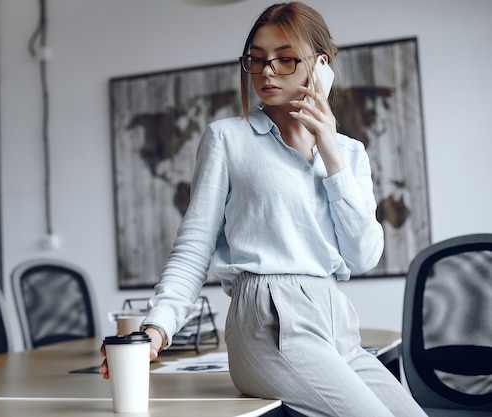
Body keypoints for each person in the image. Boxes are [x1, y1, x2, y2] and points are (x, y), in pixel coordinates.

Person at [101, 2, 428, 416]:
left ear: (320, 66)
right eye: (256, 59)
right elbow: (194, 246)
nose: (267, 71)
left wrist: (329, 147)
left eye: (285, 59)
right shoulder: (227, 139)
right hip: (267, 320)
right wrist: (156, 329)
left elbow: (363, 255)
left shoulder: (349, 153)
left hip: (336, 324)